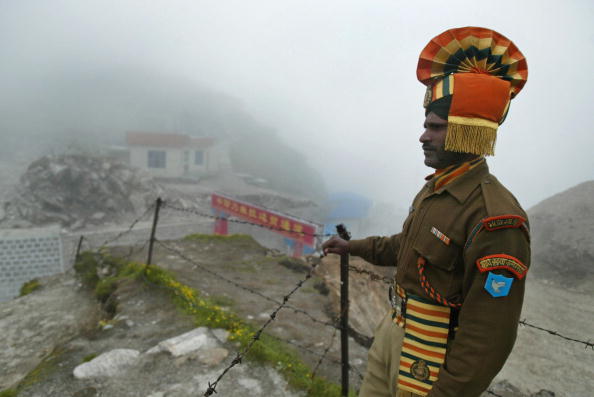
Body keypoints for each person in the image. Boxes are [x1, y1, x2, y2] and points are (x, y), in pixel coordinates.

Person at [323, 27, 530, 397]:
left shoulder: (496, 218)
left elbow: (488, 333)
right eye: (426, 126)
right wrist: (350, 247)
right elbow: (404, 246)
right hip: (392, 331)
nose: (423, 136)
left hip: (430, 356)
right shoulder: (436, 189)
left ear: (467, 131)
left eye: (435, 127)